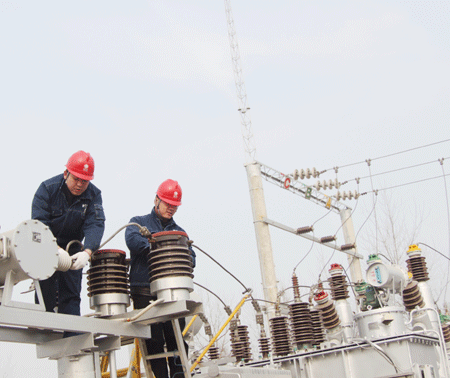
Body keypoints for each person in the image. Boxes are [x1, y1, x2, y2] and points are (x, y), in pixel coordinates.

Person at [125, 179, 196, 378]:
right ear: (156, 200)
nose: (171, 209)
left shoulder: (180, 232)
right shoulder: (138, 223)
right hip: (144, 290)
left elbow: (191, 257)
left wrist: (182, 256)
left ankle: (178, 375)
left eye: (175, 206)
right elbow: (133, 241)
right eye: (167, 204)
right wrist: (160, 246)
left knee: (176, 339)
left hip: (172, 291)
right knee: (153, 341)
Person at [31, 150, 105, 322]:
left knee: (71, 298)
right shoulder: (47, 189)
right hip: (46, 248)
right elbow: (40, 223)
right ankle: (45, 334)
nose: (79, 184)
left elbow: (95, 223)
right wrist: (55, 248)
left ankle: (71, 342)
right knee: (45, 296)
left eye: (85, 181)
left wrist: (87, 252)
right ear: (66, 174)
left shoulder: (94, 195)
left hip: (73, 250)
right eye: (76, 179)